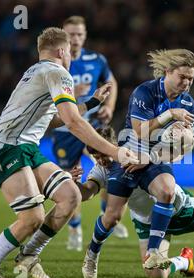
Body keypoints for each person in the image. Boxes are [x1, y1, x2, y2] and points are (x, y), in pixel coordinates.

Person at [0, 27, 137, 278]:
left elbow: (53, 120)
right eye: (70, 51)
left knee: (70, 195)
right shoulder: (59, 73)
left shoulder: (35, 72)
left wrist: (91, 102)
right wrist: (114, 150)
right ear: (62, 51)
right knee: (32, 218)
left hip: (25, 148)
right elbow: (72, 123)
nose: (72, 56)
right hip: (6, 147)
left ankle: (28, 256)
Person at [67, 127, 194, 278]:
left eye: (102, 154)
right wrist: (74, 185)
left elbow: (169, 156)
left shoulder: (136, 152)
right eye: (95, 156)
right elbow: (88, 191)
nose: (100, 160)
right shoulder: (102, 170)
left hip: (174, 208)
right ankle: (185, 261)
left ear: (113, 145)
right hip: (147, 221)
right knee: (155, 274)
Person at [83, 49, 194, 272]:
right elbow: (140, 131)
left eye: (191, 78)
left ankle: (154, 253)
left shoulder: (190, 105)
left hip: (153, 160)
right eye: (182, 77)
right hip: (129, 154)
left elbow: (183, 149)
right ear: (168, 72)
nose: (186, 82)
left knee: (167, 190)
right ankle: (92, 253)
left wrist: (168, 146)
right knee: (113, 216)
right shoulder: (145, 92)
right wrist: (170, 115)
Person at [52, 16, 128, 251]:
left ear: (85, 36)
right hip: (65, 130)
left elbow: (111, 82)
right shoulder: (53, 63)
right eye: (71, 34)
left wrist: (109, 107)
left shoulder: (96, 60)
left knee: (108, 169)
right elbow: (44, 99)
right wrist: (71, 91)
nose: (75, 39)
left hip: (93, 127)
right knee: (70, 179)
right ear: (62, 35)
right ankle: (75, 227)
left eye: (79, 34)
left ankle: (109, 218)